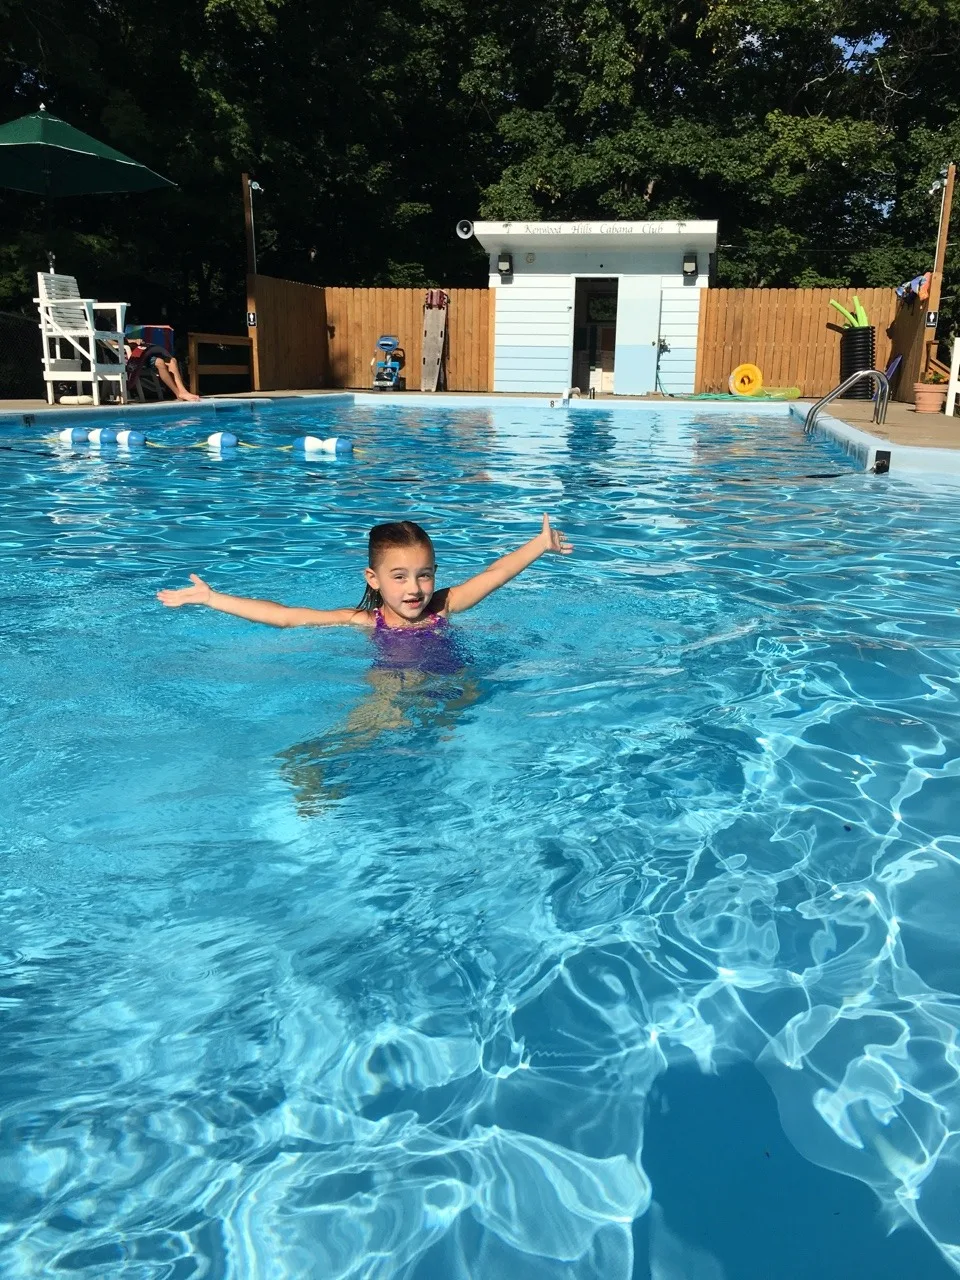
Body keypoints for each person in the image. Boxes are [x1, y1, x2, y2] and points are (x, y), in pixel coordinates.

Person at [156, 513, 573, 630]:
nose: (415, 588)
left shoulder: (444, 606)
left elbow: (495, 573)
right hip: (390, 691)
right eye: (399, 576)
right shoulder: (365, 621)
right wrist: (212, 598)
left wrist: (540, 544)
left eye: (425, 574)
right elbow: (285, 616)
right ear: (373, 579)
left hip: (451, 690)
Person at [126, 339, 200, 403]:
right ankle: (178, 393)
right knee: (160, 362)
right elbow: (119, 341)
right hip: (133, 357)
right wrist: (132, 341)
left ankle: (183, 391)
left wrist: (136, 341)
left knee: (172, 361)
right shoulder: (118, 334)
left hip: (142, 352)